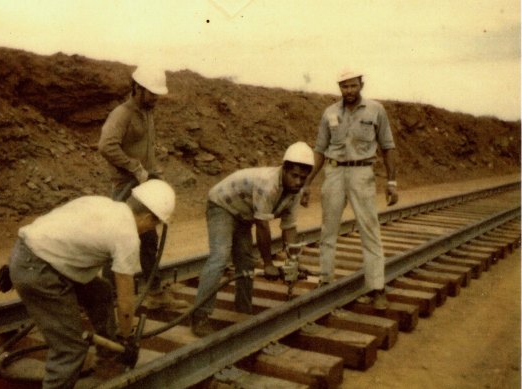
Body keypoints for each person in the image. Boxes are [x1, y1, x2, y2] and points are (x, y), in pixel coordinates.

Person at [8, 180, 176, 389]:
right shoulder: (127, 236)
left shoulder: (98, 203)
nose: (152, 229)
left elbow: (48, 227)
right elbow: (125, 301)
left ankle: (109, 355)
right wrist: (126, 337)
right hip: (41, 272)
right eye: (155, 224)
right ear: (149, 218)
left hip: (26, 254)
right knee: (70, 349)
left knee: (101, 291)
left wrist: (13, 264)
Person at [191, 142, 315, 337]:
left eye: (303, 178)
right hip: (222, 205)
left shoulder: (294, 192)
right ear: (284, 169)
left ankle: (243, 311)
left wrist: (293, 262)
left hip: (243, 213)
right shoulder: (268, 185)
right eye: (295, 176)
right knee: (220, 257)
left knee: (246, 262)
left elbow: (289, 228)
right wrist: (268, 263)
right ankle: (199, 317)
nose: (298, 182)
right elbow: (263, 227)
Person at [301, 70, 399, 310]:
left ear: (361, 84)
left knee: (370, 230)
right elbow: (320, 149)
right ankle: (325, 281)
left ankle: (377, 288)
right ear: (339, 88)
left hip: (361, 173)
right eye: (344, 87)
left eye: (353, 86)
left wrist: (391, 182)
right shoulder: (330, 113)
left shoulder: (376, 110)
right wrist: (306, 182)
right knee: (328, 230)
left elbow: (388, 146)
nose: (349, 91)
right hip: (334, 173)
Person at [98, 66, 187, 310]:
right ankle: (108, 296)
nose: (156, 98)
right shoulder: (122, 114)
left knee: (149, 239)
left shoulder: (147, 112)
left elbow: (143, 147)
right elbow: (106, 145)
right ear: (137, 88)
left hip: (143, 186)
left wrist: (152, 171)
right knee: (118, 238)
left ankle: (154, 291)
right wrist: (134, 168)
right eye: (152, 93)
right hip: (126, 186)